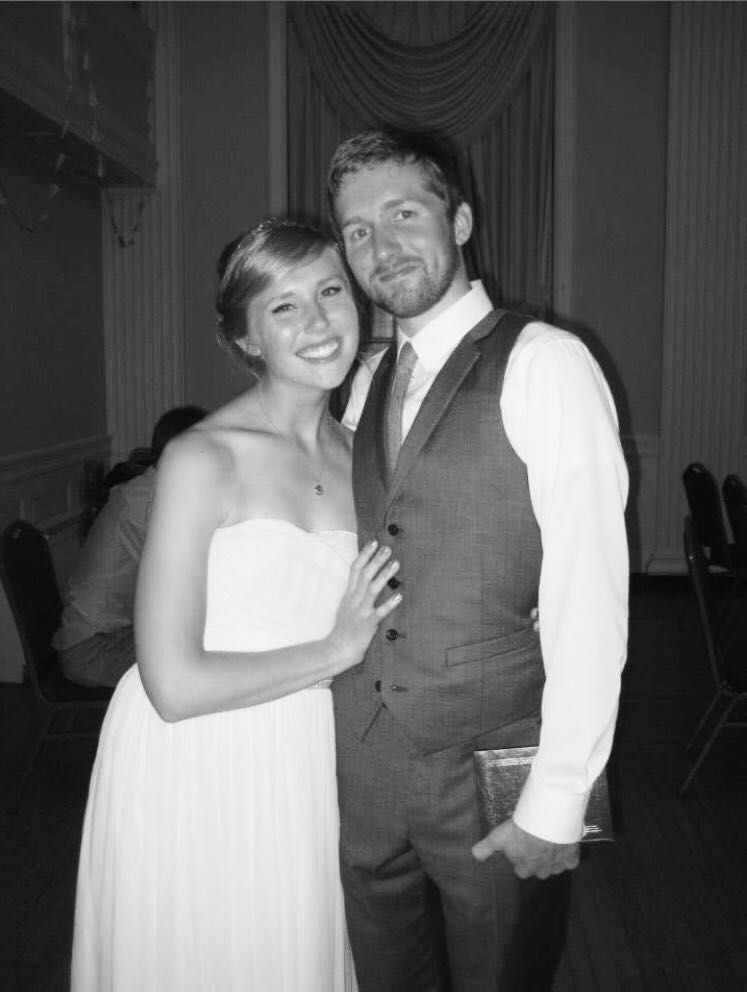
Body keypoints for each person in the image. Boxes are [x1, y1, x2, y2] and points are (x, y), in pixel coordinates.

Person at [327, 127, 630, 991]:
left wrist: (559, 800)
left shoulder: (546, 363)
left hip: (491, 759)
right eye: (357, 230)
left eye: (403, 214)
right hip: (365, 762)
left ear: (459, 221)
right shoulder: (365, 379)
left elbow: (589, 596)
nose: (381, 246)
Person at [71, 218, 401, 991]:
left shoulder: (366, 460)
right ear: (246, 338)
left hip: (311, 753)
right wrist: (334, 650)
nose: (318, 321)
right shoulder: (202, 457)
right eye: (283, 306)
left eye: (329, 291)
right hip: (199, 757)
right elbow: (172, 686)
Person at [53, 405, 207, 687]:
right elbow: (184, 583)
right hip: (94, 650)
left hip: (111, 637)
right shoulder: (149, 502)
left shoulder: (154, 490)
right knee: (205, 663)